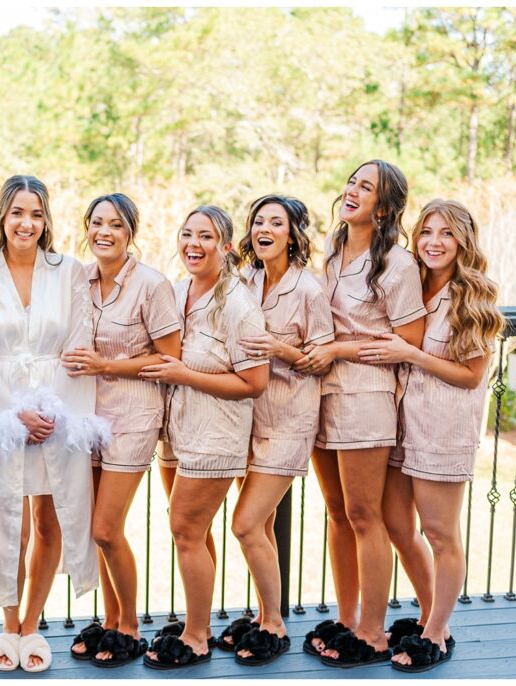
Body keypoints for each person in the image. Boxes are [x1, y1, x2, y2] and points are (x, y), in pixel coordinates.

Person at [0, 175, 108, 673]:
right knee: (8, 521)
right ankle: (9, 623)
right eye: (18, 212)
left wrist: (48, 411)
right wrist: (14, 413)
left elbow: (78, 348)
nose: (27, 223)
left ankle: (32, 624)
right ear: (2, 216)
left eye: (36, 213)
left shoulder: (71, 272)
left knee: (48, 519)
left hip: (56, 410)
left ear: (47, 220)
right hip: (0, 412)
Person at [360, 199, 504, 672]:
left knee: (440, 533)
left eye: (445, 234)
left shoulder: (474, 296)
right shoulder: (411, 286)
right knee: (397, 524)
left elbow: (469, 375)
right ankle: (427, 613)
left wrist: (412, 353)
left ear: (462, 241)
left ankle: (438, 631)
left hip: (443, 429)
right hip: (400, 422)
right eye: (426, 232)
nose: (433, 242)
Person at [295, 160, 426, 668]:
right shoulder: (330, 250)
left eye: (366, 187)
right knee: (337, 514)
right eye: (352, 181)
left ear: (385, 205)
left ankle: (373, 633)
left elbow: (409, 340)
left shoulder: (396, 263)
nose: (352, 191)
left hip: (367, 396)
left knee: (364, 515)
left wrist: (339, 351)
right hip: (322, 395)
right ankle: (347, 618)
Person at [140, 205, 269, 670]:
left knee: (184, 529)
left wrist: (186, 374)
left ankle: (195, 638)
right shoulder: (176, 293)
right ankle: (202, 619)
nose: (193, 244)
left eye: (206, 236)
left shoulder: (238, 305)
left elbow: (254, 383)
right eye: (187, 234)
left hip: (216, 434)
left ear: (228, 247)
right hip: (176, 433)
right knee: (195, 532)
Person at [63, 193, 181, 668]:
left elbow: (169, 357)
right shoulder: (78, 280)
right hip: (87, 415)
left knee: (107, 528)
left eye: (114, 224)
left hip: (133, 416)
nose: (103, 232)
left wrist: (108, 364)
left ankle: (130, 625)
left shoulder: (151, 285)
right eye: (96, 223)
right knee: (96, 531)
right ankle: (111, 620)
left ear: (130, 232)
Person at [223, 195, 335, 666]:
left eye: (276, 222)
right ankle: (264, 612)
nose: (264, 228)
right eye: (258, 222)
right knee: (262, 526)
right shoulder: (243, 280)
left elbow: (323, 358)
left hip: (289, 422)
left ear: (294, 235)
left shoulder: (309, 290)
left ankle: (275, 625)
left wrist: (279, 349)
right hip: (245, 419)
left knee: (244, 524)